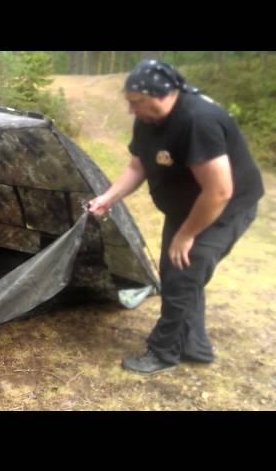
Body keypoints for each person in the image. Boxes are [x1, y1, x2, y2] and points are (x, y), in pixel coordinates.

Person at [88, 59, 265, 375]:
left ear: (161, 94)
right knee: (175, 274)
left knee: (184, 273)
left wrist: (186, 235)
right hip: (187, 208)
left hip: (224, 207)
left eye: (135, 102)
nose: (131, 110)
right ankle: (194, 347)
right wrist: (107, 199)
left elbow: (220, 191)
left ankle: (163, 353)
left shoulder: (199, 120)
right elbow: (136, 166)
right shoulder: (148, 120)